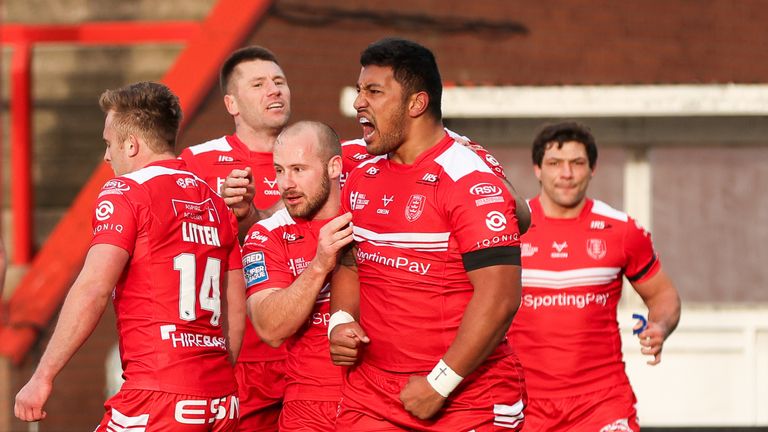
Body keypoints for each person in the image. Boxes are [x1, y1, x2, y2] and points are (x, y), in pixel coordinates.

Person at [14, 81, 245, 430]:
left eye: (109, 144)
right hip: (220, 398)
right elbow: (236, 302)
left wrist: (42, 377)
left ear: (132, 144)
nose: (107, 156)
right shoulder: (214, 203)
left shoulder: (126, 192)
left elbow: (93, 289)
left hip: (159, 393)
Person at [329, 38, 527, 431]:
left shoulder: (468, 177)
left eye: (373, 91)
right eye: (358, 90)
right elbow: (351, 263)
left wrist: (441, 382)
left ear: (416, 104)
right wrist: (339, 321)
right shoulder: (362, 175)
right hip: (373, 396)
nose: (357, 103)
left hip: (465, 398)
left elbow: (501, 297)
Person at [507, 121, 681, 431]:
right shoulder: (508, 230)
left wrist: (660, 326)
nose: (566, 174)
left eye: (577, 163)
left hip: (601, 402)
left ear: (592, 169)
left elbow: (663, 296)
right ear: (537, 169)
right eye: (555, 163)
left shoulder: (622, 230)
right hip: (523, 402)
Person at [178, 46, 289, 431]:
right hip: (236, 358)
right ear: (231, 103)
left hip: (308, 358)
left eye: (279, 82)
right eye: (259, 84)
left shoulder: (318, 155)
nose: (274, 91)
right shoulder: (197, 162)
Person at [242, 121, 352, 431]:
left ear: (334, 167)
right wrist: (319, 265)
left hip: (383, 395)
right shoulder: (267, 233)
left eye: (298, 169)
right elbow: (269, 327)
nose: (286, 183)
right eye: (279, 171)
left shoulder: (370, 216)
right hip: (310, 406)